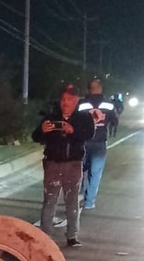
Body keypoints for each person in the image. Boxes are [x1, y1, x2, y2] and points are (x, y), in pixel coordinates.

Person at [33, 84, 95, 247]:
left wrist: (73, 131)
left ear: (76, 101)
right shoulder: (51, 117)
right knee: (49, 200)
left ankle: (72, 235)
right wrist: (42, 130)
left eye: (69, 99)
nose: (65, 102)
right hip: (52, 164)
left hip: (73, 165)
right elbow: (36, 137)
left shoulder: (84, 118)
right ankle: (45, 236)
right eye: (63, 99)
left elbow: (89, 135)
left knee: (72, 201)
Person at [77, 78, 119, 209]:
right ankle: (89, 202)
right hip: (99, 143)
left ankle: (77, 196)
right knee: (95, 174)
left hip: (82, 142)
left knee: (79, 171)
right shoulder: (108, 105)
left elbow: (74, 121)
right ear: (100, 89)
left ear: (88, 89)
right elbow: (115, 121)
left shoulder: (81, 104)